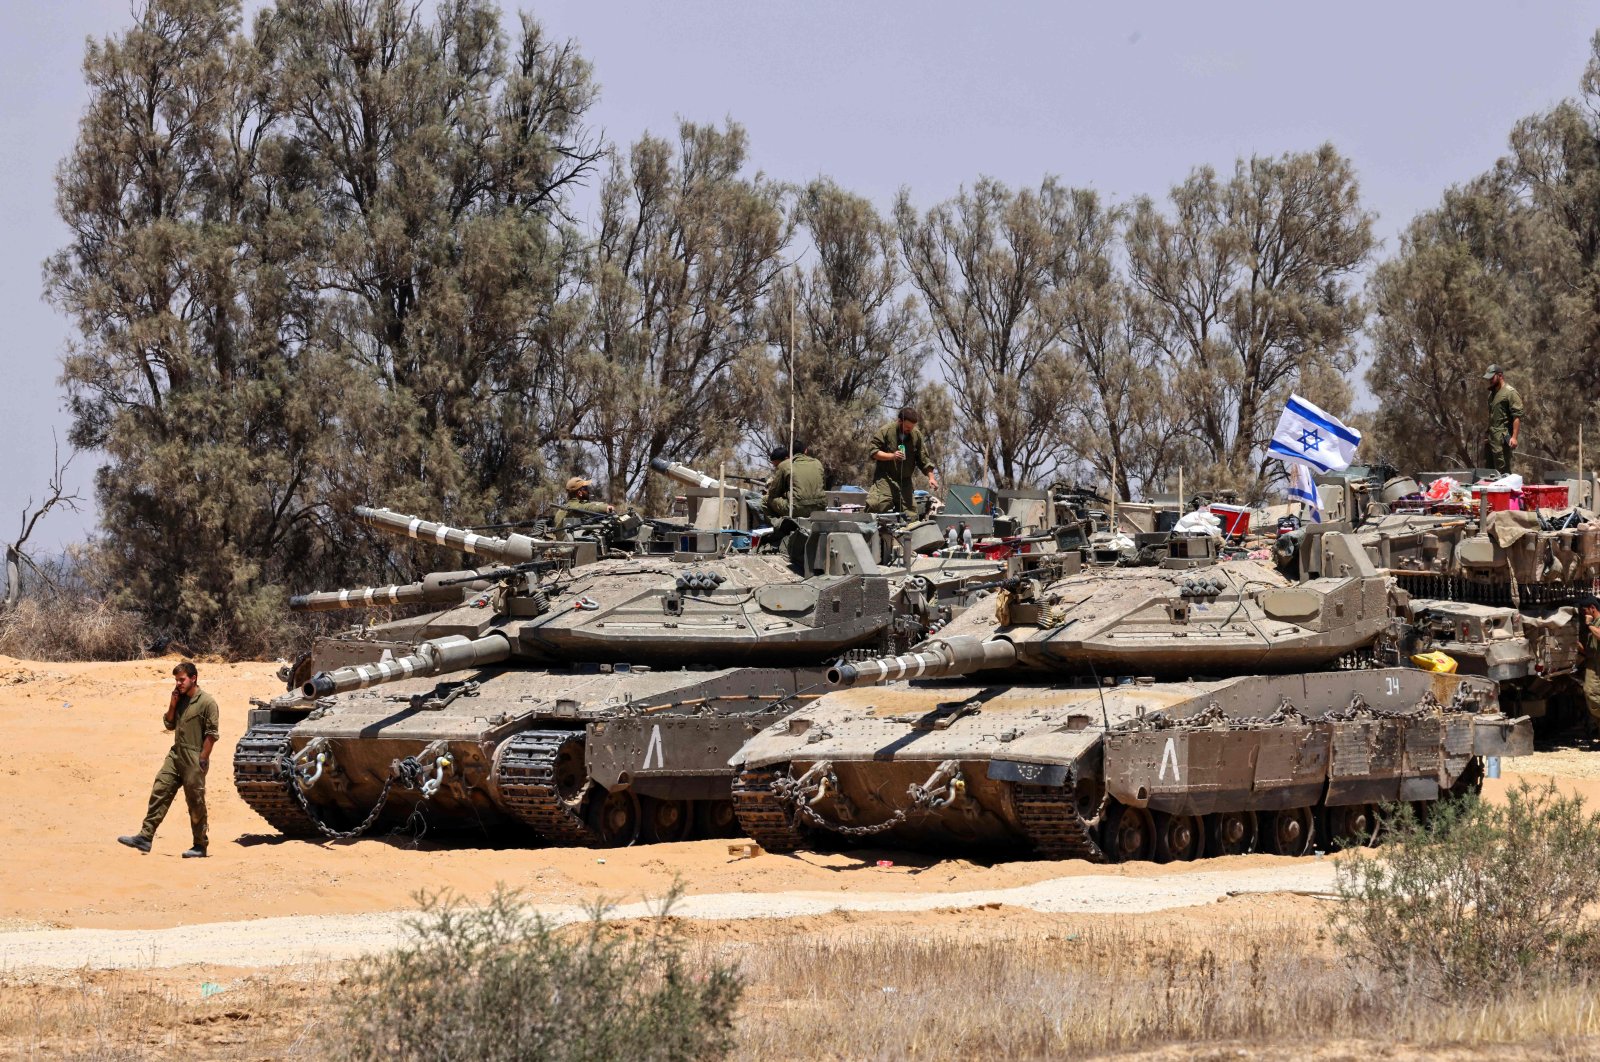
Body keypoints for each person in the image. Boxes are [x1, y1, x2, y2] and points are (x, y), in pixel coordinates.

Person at [118, 660, 218, 858]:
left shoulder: (207, 702)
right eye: (176, 680)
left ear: (193, 678)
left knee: (195, 801)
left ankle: (200, 845)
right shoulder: (179, 699)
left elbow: (212, 734)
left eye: (182, 680)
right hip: (176, 754)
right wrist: (172, 704)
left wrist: (203, 758)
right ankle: (145, 837)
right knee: (160, 788)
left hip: (194, 756)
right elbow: (169, 724)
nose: (179, 684)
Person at [866, 406, 940, 514]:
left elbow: (923, 459)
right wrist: (892, 456)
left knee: (911, 514)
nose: (909, 430)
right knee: (876, 505)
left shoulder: (916, 435)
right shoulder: (886, 431)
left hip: (905, 481)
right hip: (886, 478)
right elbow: (873, 452)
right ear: (899, 421)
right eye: (907, 427)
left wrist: (931, 478)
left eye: (912, 427)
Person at [764, 441, 827, 520]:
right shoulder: (817, 463)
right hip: (819, 508)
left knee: (765, 499)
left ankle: (778, 526)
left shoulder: (785, 465)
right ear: (806, 451)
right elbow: (823, 486)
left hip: (796, 509)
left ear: (789, 453)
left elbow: (773, 492)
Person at [1483, 365, 1523, 475]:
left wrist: (1514, 438)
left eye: (1492, 378)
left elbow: (1517, 416)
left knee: (1503, 471)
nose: (1490, 381)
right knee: (1489, 472)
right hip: (1491, 439)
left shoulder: (1510, 393)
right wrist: (1487, 435)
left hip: (1502, 439)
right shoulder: (1492, 394)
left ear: (1500, 376)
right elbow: (1492, 417)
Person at [1579, 596, 1600, 742]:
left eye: (1585, 611)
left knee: (1591, 692)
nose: (1583, 614)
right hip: (1593, 663)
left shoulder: (1594, 623)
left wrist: (1589, 625)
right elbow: (1589, 649)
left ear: (1592, 608)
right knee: (1590, 693)